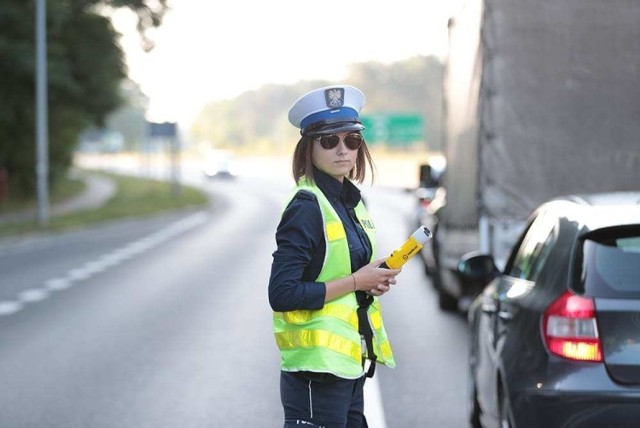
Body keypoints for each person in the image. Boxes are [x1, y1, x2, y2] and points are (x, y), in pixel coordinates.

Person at [268, 84, 402, 428]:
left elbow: (336, 269)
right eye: (329, 141)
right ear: (309, 148)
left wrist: (370, 279)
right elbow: (282, 294)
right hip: (315, 372)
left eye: (352, 140)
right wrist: (358, 280)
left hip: (347, 364)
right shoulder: (306, 207)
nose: (343, 150)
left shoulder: (348, 201)